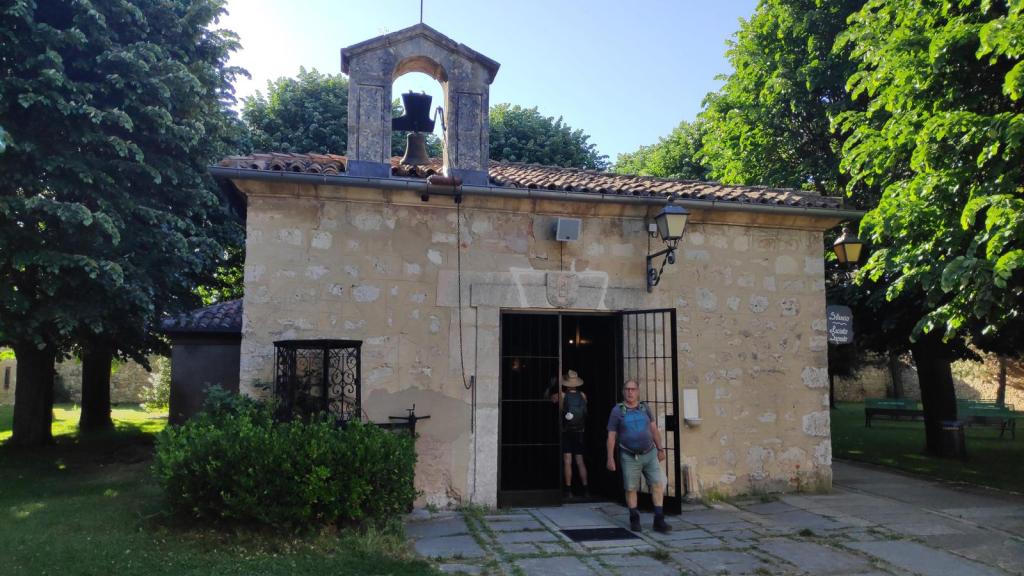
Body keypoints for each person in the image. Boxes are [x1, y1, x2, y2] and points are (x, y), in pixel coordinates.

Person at [606, 379, 672, 533]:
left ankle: (659, 519)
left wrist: (660, 449)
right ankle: (634, 518)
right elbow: (611, 436)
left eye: (633, 389)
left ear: (638, 391)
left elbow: (654, 430)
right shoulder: (617, 411)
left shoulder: (645, 408)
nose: (630, 392)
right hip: (629, 455)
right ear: (623, 391)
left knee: (657, 484)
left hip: (649, 453)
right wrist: (610, 458)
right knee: (631, 488)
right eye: (627, 389)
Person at [556, 370, 589, 499]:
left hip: (567, 431)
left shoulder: (562, 395)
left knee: (567, 461)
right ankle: (586, 489)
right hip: (580, 431)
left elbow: (549, 398)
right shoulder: (583, 395)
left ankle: (568, 490)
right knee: (580, 461)